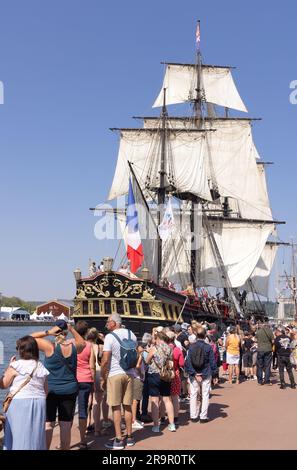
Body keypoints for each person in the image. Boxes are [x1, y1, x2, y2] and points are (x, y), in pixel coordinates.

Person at [30, 321, 86, 450]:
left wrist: (48, 332)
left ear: (56, 331)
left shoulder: (50, 347)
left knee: (48, 424)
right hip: (70, 390)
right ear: (66, 332)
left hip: (51, 390)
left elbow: (29, 339)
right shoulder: (74, 347)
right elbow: (82, 342)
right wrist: (71, 329)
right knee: (65, 424)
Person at [0, 336, 49, 450]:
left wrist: (7, 368)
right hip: (39, 403)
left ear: (21, 350)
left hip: (20, 404)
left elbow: (3, 385)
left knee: (18, 435)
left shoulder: (16, 365)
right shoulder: (40, 366)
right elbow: (46, 390)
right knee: (36, 436)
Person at [100, 313, 137, 450]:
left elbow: (105, 360)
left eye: (108, 321)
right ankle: (130, 437)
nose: (107, 324)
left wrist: (103, 377)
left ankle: (118, 439)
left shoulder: (110, 337)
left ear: (114, 323)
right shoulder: (131, 334)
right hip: (130, 373)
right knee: (127, 406)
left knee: (115, 407)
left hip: (115, 374)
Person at [146, 330, 176, 433]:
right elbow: (170, 362)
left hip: (154, 374)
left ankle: (156, 426)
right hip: (165, 375)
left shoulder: (154, 348)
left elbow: (147, 360)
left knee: (154, 400)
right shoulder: (169, 348)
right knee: (167, 399)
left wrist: (148, 352)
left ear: (158, 339)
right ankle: (172, 424)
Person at [185, 326, 217, 423]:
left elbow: (188, 363)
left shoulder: (191, 347)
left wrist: (194, 374)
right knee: (205, 394)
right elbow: (212, 362)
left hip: (194, 374)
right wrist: (215, 375)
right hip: (206, 373)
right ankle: (203, 416)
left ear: (196, 335)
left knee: (193, 394)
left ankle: (193, 416)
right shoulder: (208, 347)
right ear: (205, 335)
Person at [75, 320, 96, 449]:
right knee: (83, 410)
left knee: (67, 410)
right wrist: (93, 382)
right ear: (86, 332)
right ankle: (83, 440)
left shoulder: (69, 344)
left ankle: (63, 441)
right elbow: (92, 366)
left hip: (72, 380)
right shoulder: (89, 346)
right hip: (86, 379)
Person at [86, 328, 110, 436]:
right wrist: (103, 339)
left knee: (87, 400)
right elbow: (108, 353)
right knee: (98, 401)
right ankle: (97, 429)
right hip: (98, 372)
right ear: (96, 337)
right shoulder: (100, 347)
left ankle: (86, 424)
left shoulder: (83, 346)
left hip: (85, 374)